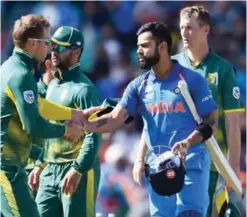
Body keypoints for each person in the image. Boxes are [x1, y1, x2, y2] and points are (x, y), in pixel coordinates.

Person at [75, 22, 218, 217]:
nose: (139, 51)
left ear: (162, 47)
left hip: (191, 163)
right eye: (138, 46)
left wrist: (187, 143)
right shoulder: (138, 86)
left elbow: (211, 122)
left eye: (144, 46)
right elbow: (115, 119)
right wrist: (84, 124)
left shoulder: (192, 80)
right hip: (157, 167)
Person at [0, 14, 92, 217]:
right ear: (33, 43)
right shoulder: (22, 75)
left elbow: (38, 105)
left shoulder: (9, 67)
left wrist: (73, 113)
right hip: (7, 169)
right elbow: (33, 126)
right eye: (47, 42)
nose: (50, 49)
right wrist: (67, 129)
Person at [171, 6, 244, 217]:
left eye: (190, 28)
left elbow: (232, 123)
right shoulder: (172, 66)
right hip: (173, 157)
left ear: (205, 30)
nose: (184, 33)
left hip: (209, 160)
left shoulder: (223, 70)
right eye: (182, 28)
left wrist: (231, 169)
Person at [30, 26, 102, 217]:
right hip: (50, 169)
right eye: (52, 46)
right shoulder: (52, 85)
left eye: (60, 48)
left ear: (76, 52)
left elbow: (93, 136)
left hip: (77, 171)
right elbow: (49, 133)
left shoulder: (84, 89)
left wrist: (78, 169)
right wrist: (39, 164)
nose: (53, 52)